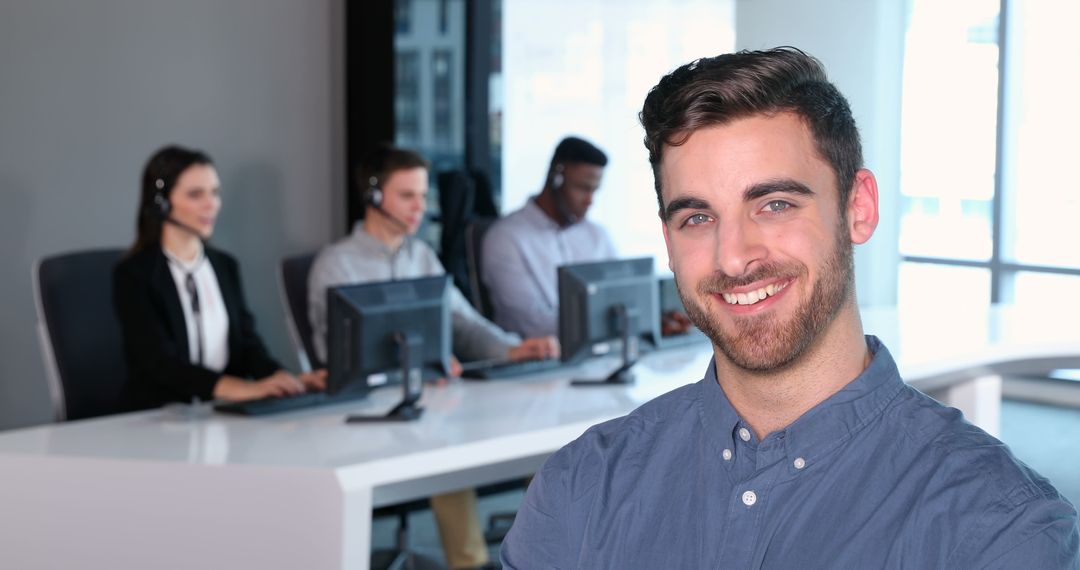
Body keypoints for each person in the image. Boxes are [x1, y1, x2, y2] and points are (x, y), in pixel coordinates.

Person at [501, 48, 1080, 568]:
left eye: (774, 204)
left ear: (858, 208)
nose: (734, 258)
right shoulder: (581, 488)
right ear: (668, 239)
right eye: (697, 218)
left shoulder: (1000, 533)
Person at [308, 143, 556, 570]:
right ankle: (472, 563)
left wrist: (511, 348)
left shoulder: (421, 256)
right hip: (367, 417)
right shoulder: (337, 266)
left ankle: (552, 553)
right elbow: (339, 357)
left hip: (430, 403)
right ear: (373, 195)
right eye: (408, 196)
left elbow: (463, 322)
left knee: (540, 443)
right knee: (447, 453)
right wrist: (418, 368)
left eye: (423, 196)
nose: (420, 207)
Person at [114, 145, 326, 411]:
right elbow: (160, 363)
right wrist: (241, 389)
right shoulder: (135, 275)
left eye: (215, 193)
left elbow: (246, 343)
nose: (211, 204)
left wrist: (281, 379)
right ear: (161, 203)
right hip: (159, 419)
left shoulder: (223, 266)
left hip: (220, 415)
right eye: (195, 194)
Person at [480, 136, 617, 338]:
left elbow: (620, 296)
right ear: (556, 178)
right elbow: (531, 323)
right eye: (582, 188)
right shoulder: (505, 238)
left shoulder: (598, 236)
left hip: (599, 354)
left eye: (594, 190)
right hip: (538, 361)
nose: (590, 200)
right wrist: (611, 324)